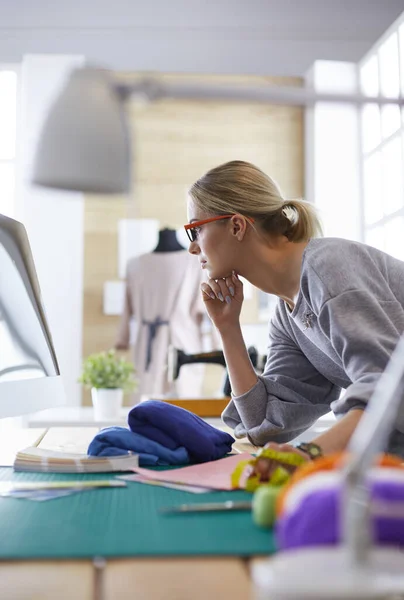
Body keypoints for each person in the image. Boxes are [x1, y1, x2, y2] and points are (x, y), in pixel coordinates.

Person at [184, 159, 404, 478]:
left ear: (236, 226)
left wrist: (310, 454)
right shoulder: (288, 315)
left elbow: (389, 388)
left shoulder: (329, 267)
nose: (193, 247)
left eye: (195, 229)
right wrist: (228, 329)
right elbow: (266, 426)